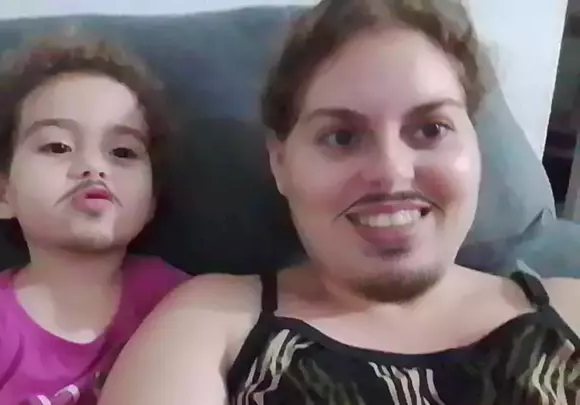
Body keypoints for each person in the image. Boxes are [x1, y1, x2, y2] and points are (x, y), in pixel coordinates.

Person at [98, 0, 580, 404]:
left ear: (476, 146)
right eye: (342, 136)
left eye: (432, 129)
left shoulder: (571, 311)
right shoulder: (212, 324)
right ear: (281, 162)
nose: (391, 171)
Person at [0, 38, 188, 405]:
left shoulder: (181, 302)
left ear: (151, 201)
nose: (94, 166)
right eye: (57, 146)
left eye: (123, 151)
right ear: (1, 193)